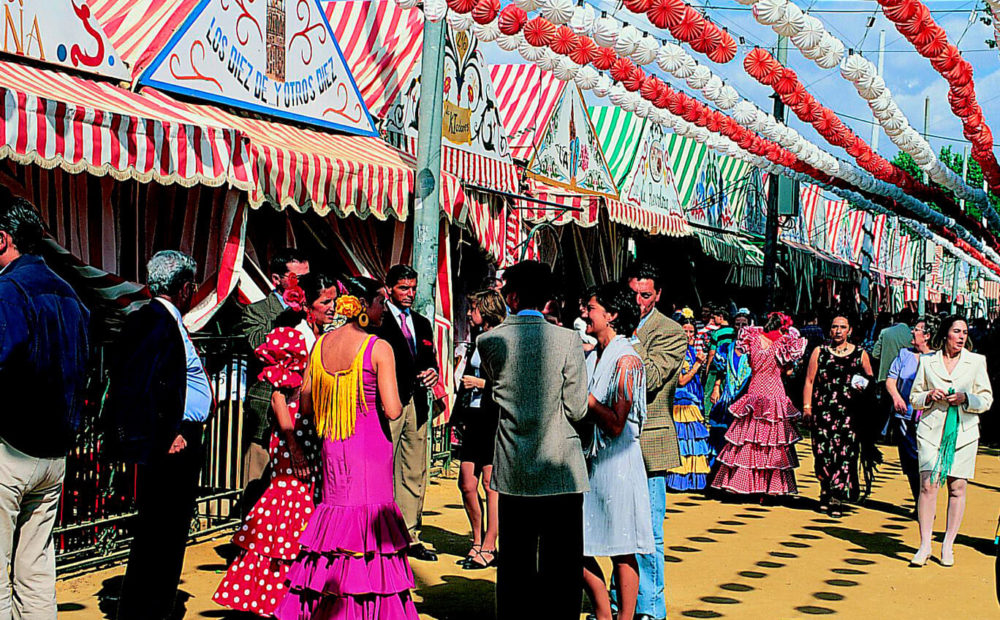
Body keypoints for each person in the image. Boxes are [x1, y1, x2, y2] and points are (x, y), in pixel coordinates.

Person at [275, 276, 418, 618]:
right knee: (370, 536)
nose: (385, 308)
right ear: (364, 307)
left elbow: (306, 406)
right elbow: (393, 409)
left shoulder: (321, 344)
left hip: (333, 447)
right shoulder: (377, 347)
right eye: (381, 302)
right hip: (370, 449)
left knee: (333, 533)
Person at [213, 273, 339, 615]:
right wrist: (294, 445)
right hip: (291, 434)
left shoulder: (320, 336)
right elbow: (278, 398)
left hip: (309, 431)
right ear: (307, 307)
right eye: (324, 302)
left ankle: (292, 597)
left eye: (333, 301)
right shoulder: (292, 335)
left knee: (302, 511)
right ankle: (269, 597)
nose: (331, 307)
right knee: (287, 509)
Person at [478, 260, 589, 620]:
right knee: (562, 563)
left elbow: (495, 393)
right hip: (560, 467)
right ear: (546, 299)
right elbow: (576, 407)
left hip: (514, 466)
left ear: (511, 296)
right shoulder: (568, 339)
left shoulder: (489, 341)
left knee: (515, 563)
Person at [106, 251, 214, 619]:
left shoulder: (164, 321)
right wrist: (166, 433)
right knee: (159, 537)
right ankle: (146, 612)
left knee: (168, 535)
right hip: (170, 445)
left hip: (179, 439)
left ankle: (155, 607)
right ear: (185, 289)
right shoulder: (153, 321)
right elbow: (137, 384)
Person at [0, 193, 90, 618]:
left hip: (11, 448)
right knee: (36, 568)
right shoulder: (70, 293)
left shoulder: (9, 290)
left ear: (3, 240)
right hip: (54, 451)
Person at [580, 283, 654, 620]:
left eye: (591, 308)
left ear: (612, 315)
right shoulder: (595, 353)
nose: (584, 313)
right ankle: (603, 611)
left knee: (622, 549)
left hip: (619, 463)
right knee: (581, 544)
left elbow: (615, 424)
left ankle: (623, 617)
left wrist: (586, 399)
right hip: (595, 462)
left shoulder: (626, 360)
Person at [625, 262, 686, 620]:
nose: (638, 301)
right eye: (633, 293)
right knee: (620, 531)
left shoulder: (671, 330)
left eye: (645, 295)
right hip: (614, 439)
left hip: (650, 441)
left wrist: (623, 340)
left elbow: (650, 377)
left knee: (648, 530)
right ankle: (623, 604)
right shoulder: (616, 323)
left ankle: (650, 607)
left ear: (658, 295)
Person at [908, 315, 993, 567]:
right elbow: (914, 397)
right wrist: (929, 395)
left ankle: (947, 544)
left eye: (965, 332)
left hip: (964, 433)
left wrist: (966, 398)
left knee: (957, 488)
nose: (961, 337)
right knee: (928, 485)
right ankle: (924, 544)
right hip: (931, 430)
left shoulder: (976, 362)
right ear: (946, 334)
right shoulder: (928, 361)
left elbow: (986, 399)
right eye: (957, 331)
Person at [240, 249, 310, 515]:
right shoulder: (256, 311)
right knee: (258, 480)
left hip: (303, 410)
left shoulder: (312, 310)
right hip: (268, 408)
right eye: (296, 278)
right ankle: (248, 543)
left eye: (306, 278)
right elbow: (257, 343)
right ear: (277, 279)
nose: (302, 284)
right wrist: (287, 320)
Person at [377, 264, 440, 561]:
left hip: (417, 402)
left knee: (414, 469)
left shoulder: (423, 322)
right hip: (387, 402)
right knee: (383, 466)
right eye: (404, 288)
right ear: (390, 288)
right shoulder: (378, 320)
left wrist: (433, 373)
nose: (410, 294)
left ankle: (410, 534)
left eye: (413, 288)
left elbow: (430, 358)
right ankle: (380, 532)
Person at [711, 313, 806, 497]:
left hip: (755, 390)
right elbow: (788, 371)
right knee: (772, 442)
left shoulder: (752, 338)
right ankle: (771, 487)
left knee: (748, 440)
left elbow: (749, 362)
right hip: (774, 393)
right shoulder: (785, 342)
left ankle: (743, 485)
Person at [802, 314, 875, 517]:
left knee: (844, 455)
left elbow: (870, 381)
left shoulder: (860, 354)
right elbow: (809, 381)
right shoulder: (820, 352)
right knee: (823, 454)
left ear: (849, 330)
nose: (838, 330)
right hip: (823, 413)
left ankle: (837, 497)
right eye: (834, 326)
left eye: (842, 327)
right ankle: (825, 490)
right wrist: (807, 408)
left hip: (849, 415)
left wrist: (861, 387)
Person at [455, 289, 506, 570]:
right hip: (473, 416)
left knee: (490, 483)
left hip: (493, 415)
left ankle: (489, 544)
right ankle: (477, 539)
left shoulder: (498, 340)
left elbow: (508, 383)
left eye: (473, 309)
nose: (469, 314)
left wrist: (480, 384)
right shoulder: (477, 340)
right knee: (467, 482)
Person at [885, 315, 939, 508]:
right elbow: (891, 380)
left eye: (916, 329)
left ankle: (927, 501)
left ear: (927, 335)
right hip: (905, 415)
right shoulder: (904, 355)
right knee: (910, 461)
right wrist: (896, 397)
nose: (912, 332)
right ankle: (919, 499)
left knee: (927, 460)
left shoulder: (938, 358)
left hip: (929, 417)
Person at [665, 318, 713, 491]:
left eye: (691, 331)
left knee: (693, 441)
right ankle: (678, 479)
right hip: (681, 402)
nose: (688, 335)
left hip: (693, 399)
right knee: (684, 440)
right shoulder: (677, 353)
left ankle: (691, 480)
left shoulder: (691, 351)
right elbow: (681, 381)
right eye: (685, 331)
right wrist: (699, 364)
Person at [703, 304, 735, 413]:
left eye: (714, 317)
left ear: (721, 317)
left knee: (709, 394)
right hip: (730, 368)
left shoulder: (716, 333)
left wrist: (707, 368)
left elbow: (711, 353)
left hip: (716, 368)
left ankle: (707, 417)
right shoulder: (734, 332)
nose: (713, 319)